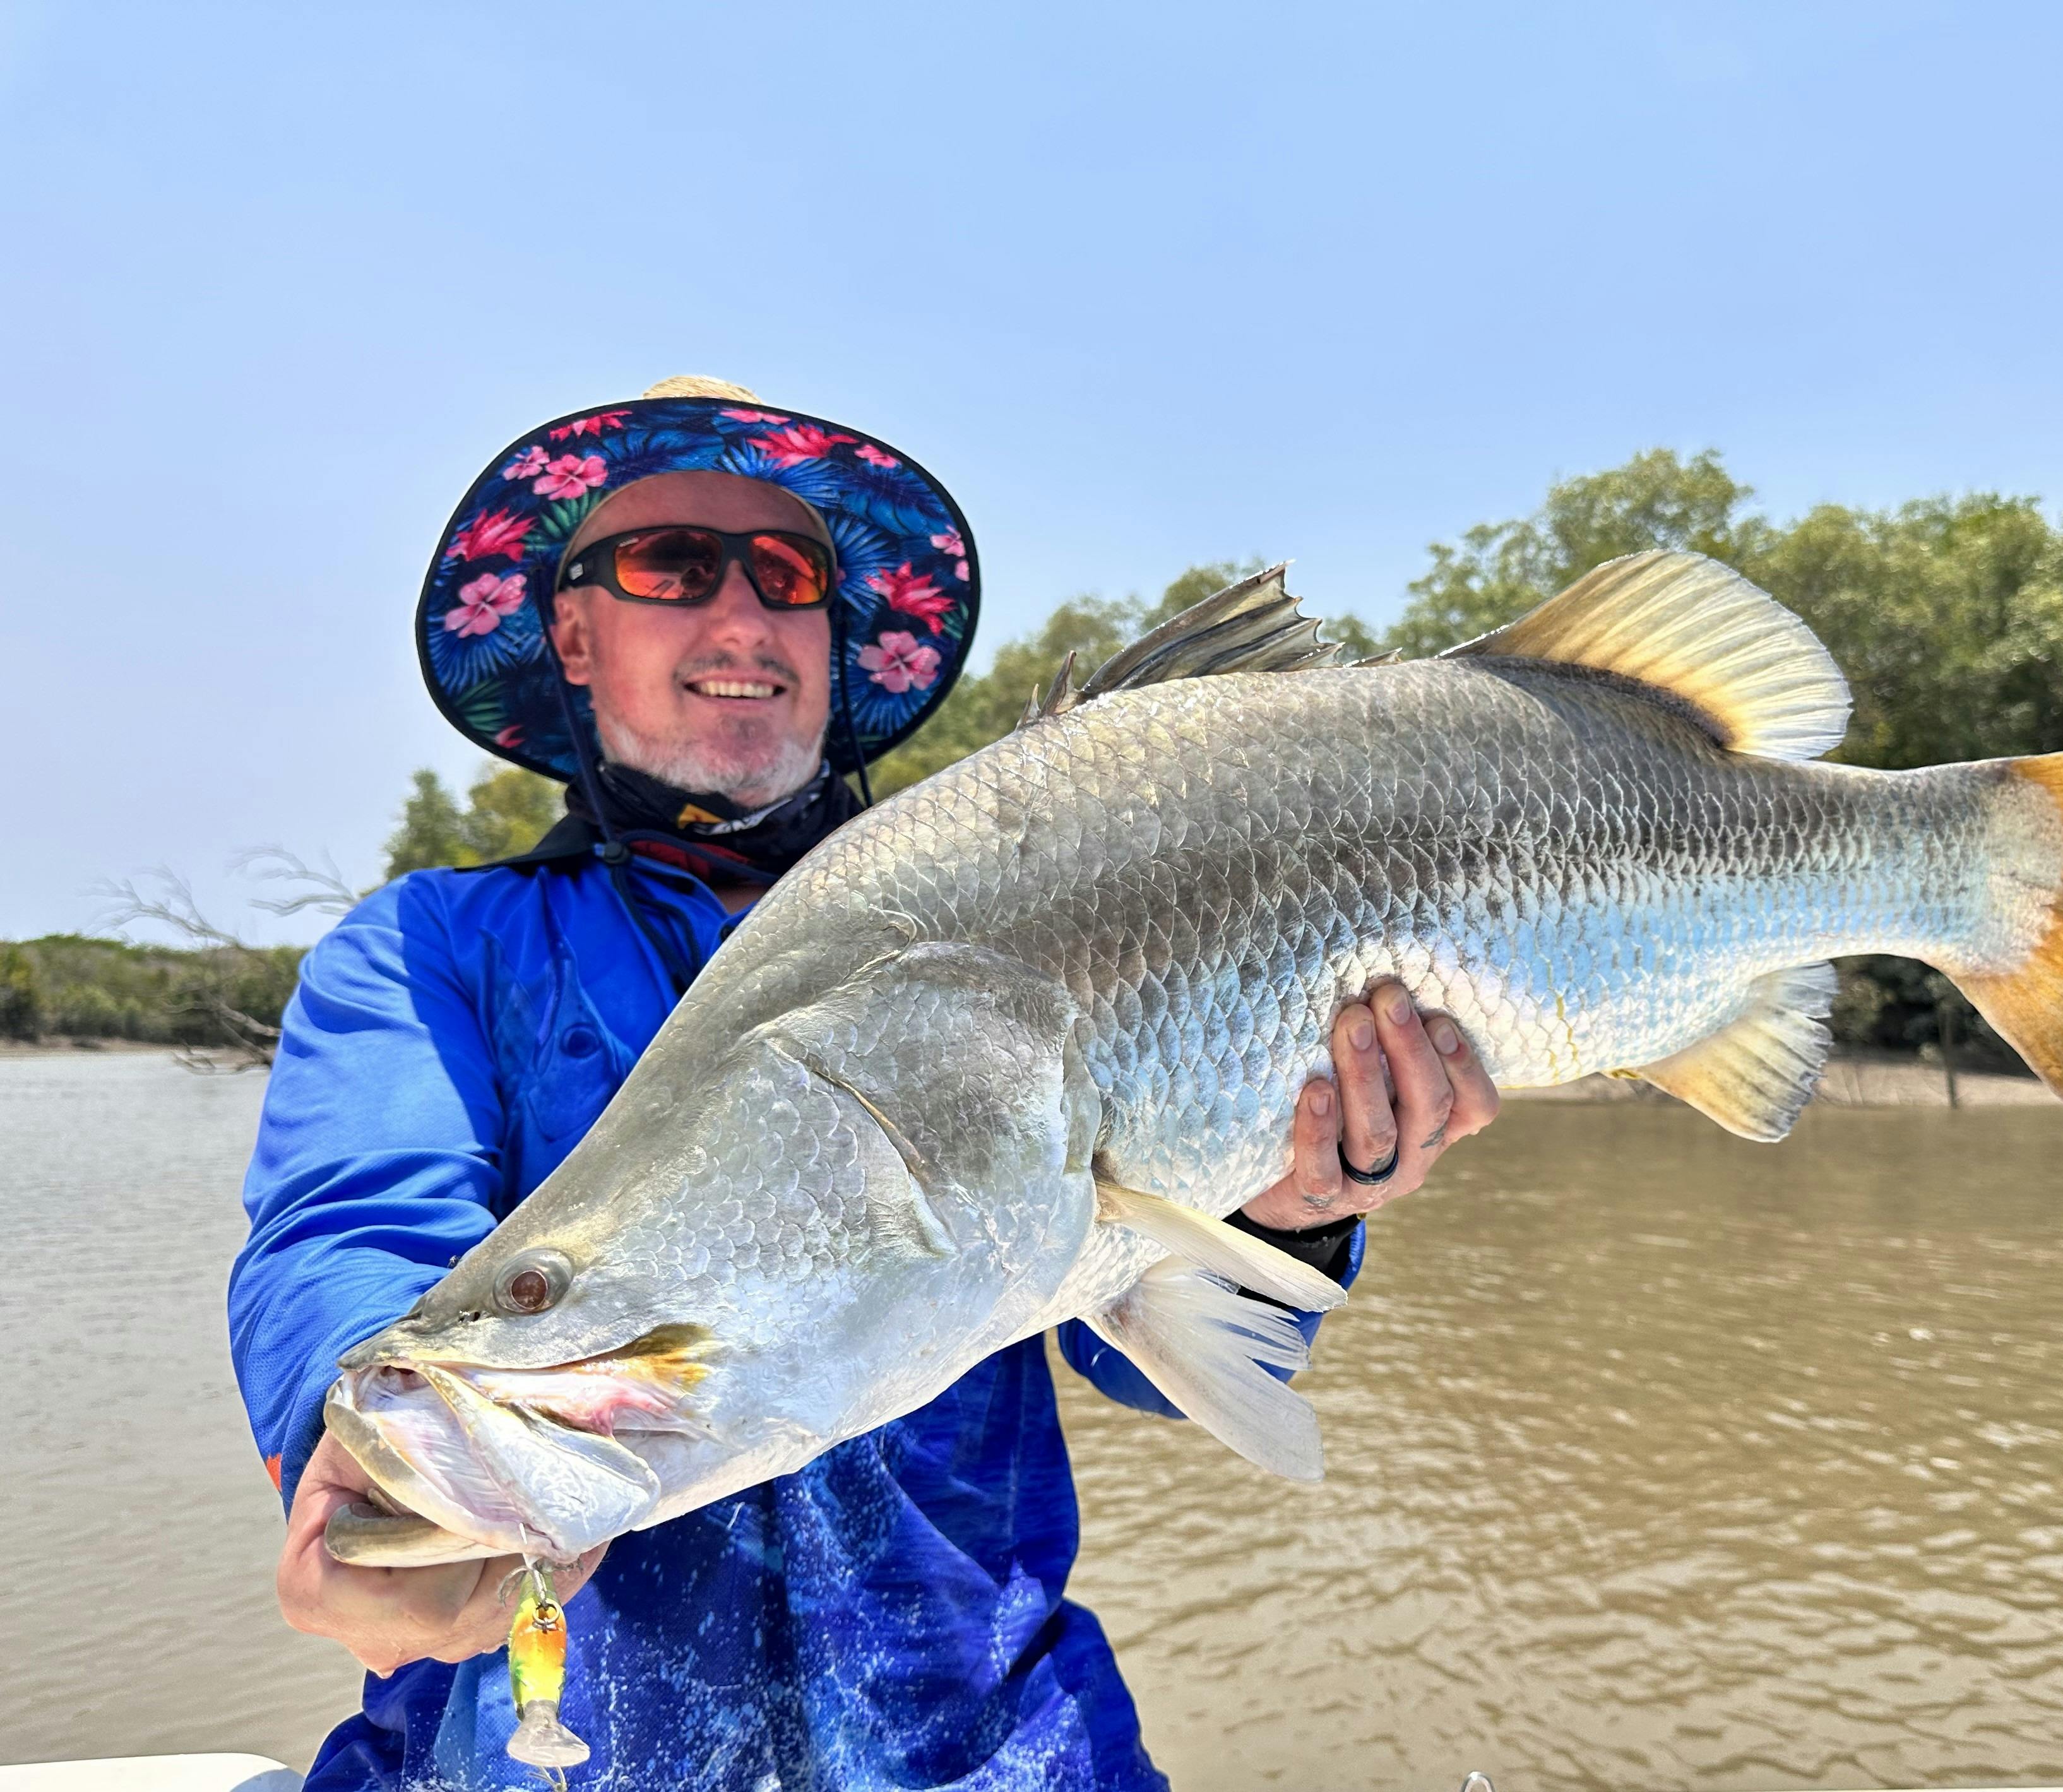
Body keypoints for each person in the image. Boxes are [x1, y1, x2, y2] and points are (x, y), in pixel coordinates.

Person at [229, 377, 1502, 1790]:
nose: (740, 620)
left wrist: (1292, 1213)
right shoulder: (427, 952)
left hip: (1002, 1746)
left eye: (789, 574)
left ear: (836, 635)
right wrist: (342, 1453)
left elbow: (1138, 1360)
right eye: (670, 566)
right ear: (571, 636)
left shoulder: (1012, 893)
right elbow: (346, 1230)